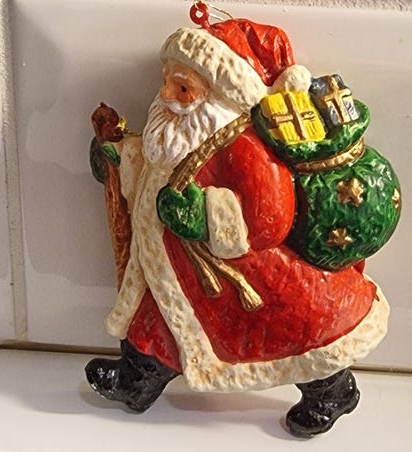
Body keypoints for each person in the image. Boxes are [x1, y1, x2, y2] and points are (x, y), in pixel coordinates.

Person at [86, 6, 390, 438]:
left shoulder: (244, 145)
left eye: (183, 87)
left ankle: (332, 390)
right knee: (159, 319)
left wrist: (203, 215)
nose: (167, 94)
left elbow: (269, 216)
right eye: (166, 80)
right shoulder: (179, 130)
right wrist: (119, 158)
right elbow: (155, 162)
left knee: (298, 334)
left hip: (243, 275)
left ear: (218, 93)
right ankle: (137, 381)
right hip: (177, 268)